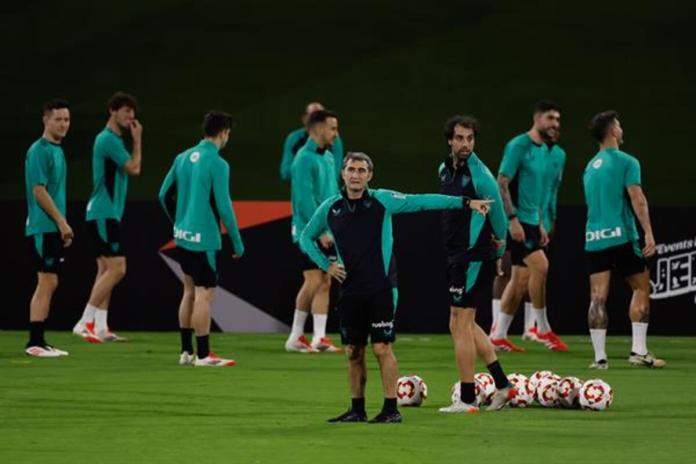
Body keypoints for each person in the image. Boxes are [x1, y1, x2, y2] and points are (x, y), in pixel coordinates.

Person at [301, 152, 491, 423]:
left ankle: (391, 409)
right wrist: (327, 265)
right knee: (353, 352)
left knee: (381, 349)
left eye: (361, 170)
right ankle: (356, 409)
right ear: (342, 174)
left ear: (370, 175)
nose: (356, 175)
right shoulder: (331, 208)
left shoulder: (382, 200)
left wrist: (465, 202)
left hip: (382, 288)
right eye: (351, 169)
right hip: (350, 291)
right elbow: (307, 237)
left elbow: (421, 202)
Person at [437, 115, 517, 413]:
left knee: (459, 325)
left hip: (472, 256)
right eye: (460, 138)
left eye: (470, 139)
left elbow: (498, 219)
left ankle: (468, 398)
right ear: (450, 140)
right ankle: (503, 384)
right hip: (456, 255)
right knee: (463, 324)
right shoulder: (444, 170)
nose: (465, 144)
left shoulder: (480, 176)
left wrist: (499, 251)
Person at [158, 111, 245, 367]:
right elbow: (224, 207)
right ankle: (204, 355)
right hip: (204, 238)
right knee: (204, 294)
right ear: (223, 133)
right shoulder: (218, 163)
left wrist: (179, 220)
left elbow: (163, 195)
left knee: (188, 291)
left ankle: (186, 352)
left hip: (182, 237)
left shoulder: (182, 157)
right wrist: (237, 242)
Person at [583, 110, 664, 369]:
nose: (621, 129)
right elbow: (637, 198)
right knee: (641, 287)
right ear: (612, 132)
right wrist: (648, 232)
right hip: (621, 235)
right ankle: (638, 352)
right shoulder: (627, 161)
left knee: (597, 297)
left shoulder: (590, 167)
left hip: (594, 237)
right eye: (619, 125)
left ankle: (600, 359)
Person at [491, 100, 568, 352]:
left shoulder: (546, 151)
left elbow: (537, 191)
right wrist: (512, 220)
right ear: (537, 119)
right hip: (518, 222)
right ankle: (543, 329)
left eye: (557, 120)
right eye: (550, 118)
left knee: (521, 279)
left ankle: (499, 335)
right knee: (542, 266)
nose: (555, 124)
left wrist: (542, 224)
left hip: (533, 222)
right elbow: (501, 182)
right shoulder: (518, 145)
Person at [72, 92, 142, 343]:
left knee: (105, 269)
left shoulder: (112, 140)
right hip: (103, 212)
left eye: (132, 112)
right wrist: (138, 139)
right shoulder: (108, 140)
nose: (131, 117)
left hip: (105, 212)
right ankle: (84, 321)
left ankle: (100, 326)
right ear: (113, 111)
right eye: (126, 111)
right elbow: (135, 168)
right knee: (118, 268)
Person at [285, 110, 342, 353]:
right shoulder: (303, 159)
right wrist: (319, 232)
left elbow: (332, 192)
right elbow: (304, 201)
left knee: (325, 281)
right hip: (308, 232)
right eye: (332, 128)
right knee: (313, 280)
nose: (336, 134)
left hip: (327, 230)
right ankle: (295, 337)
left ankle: (319, 338)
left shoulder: (328, 157)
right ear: (318, 129)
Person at [24, 99, 73, 357]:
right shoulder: (39, 150)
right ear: (46, 120)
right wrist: (61, 221)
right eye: (58, 119)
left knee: (50, 281)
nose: (64, 124)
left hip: (52, 226)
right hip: (43, 226)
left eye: (66, 119)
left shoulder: (57, 150)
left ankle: (39, 341)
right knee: (45, 282)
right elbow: (38, 190)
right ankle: (34, 342)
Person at [279, 101, 344, 182]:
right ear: (305, 119)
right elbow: (285, 173)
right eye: (313, 118)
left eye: (321, 119)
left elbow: (335, 174)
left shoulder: (334, 140)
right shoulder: (294, 139)